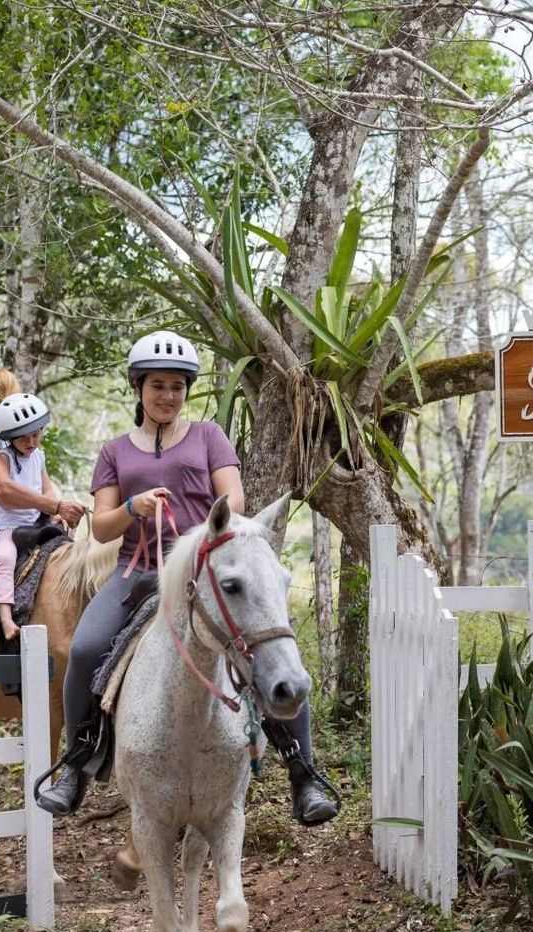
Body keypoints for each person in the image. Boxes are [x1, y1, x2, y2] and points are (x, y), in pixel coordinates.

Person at [37, 331, 339, 828]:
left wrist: (200, 533)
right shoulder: (114, 451)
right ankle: (75, 764)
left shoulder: (208, 437)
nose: (168, 396)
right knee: (86, 648)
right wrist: (133, 506)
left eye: (177, 387)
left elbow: (234, 501)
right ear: (138, 387)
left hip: (202, 570)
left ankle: (303, 773)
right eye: (158, 385)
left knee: (273, 645)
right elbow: (103, 525)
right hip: (137, 572)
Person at [0, 370, 85, 639]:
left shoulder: (21, 433)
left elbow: (41, 481)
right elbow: (4, 487)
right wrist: (56, 506)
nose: (31, 441)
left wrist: (53, 513)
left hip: (25, 521)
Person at [0, 392, 60, 641]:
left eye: (35, 435)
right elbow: (3, 496)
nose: (31, 441)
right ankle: (5, 616)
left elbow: (47, 489)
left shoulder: (38, 456)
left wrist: (54, 509)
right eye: (23, 437)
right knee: (5, 558)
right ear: (10, 438)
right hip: (9, 526)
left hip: (37, 523)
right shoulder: (5, 457)